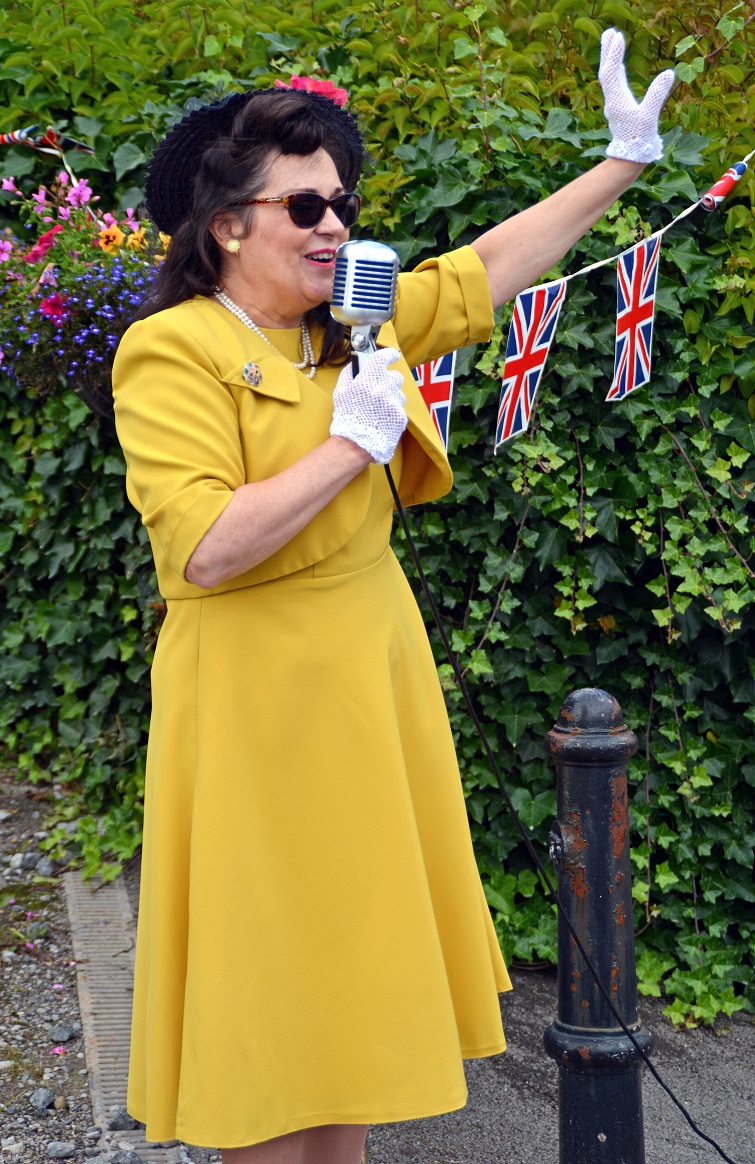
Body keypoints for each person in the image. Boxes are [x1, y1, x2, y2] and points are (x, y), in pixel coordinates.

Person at [111, 28, 674, 1164]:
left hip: (367, 679)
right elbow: (208, 548)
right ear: (228, 223)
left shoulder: (351, 325)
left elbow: (482, 273)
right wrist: (348, 444)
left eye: (341, 203)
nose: (335, 224)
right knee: (272, 993)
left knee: (345, 988)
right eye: (304, 206)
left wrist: (621, 163)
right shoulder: (171, 351)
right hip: (256, 704)